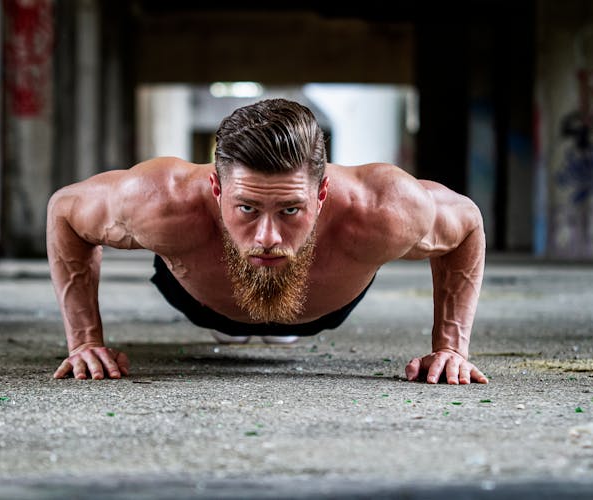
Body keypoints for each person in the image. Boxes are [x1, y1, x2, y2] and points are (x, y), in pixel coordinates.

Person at [46, 98, 488, 385]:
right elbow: (65, 210)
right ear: (217, 191)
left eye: (290, 210)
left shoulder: (384, 207)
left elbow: (466, 224)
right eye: (247, 209)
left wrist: (450, 347)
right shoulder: (161, 200)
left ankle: (280, 321)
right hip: (200, 299)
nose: (268, 237)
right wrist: (85, 340)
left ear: (321, 193)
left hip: (319, 309)